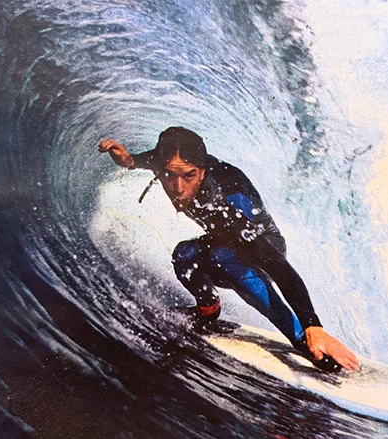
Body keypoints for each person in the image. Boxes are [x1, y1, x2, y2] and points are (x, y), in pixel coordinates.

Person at [98, 127, 359, 372]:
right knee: (184, 255)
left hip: (262, 246)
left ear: (201, 170)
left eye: (189, 176)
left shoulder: (225, 203)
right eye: (169, 176)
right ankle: (208, 311)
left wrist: (313, 325)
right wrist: (128, 160)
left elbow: (278, 266)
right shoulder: (170, 162)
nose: (178, 188)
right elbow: (149, 161)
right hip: (224, 242)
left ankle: (305, 342)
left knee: (223, 258)